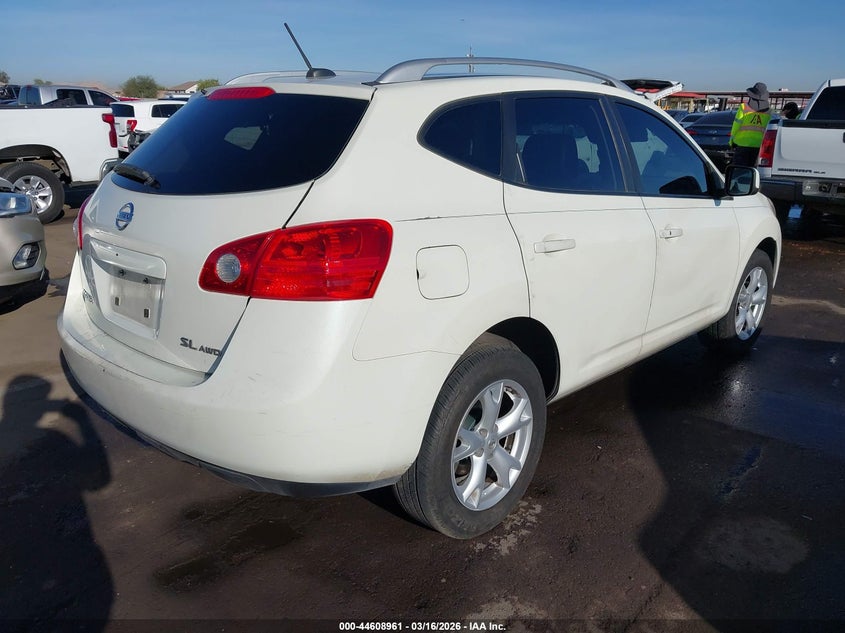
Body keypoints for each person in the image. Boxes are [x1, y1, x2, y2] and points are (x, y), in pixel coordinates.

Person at [729, 82, 772, 166]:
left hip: (742, 144)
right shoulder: (769, 112)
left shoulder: (743, 107)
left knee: (740, 170)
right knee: (754, 171)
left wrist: (731, 141)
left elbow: (736, 126)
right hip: (759, 146)